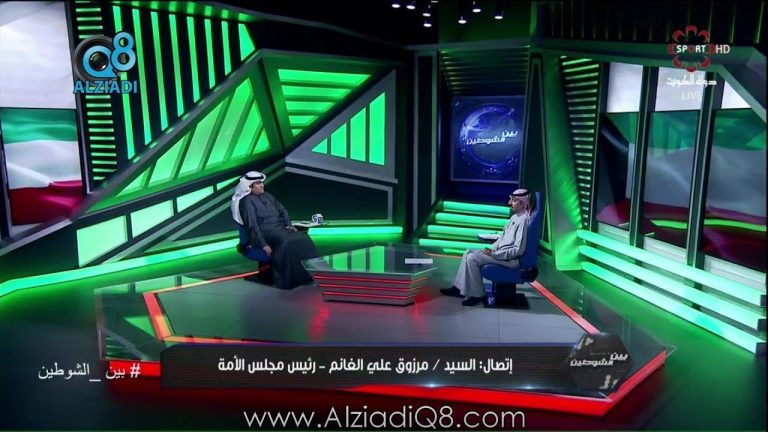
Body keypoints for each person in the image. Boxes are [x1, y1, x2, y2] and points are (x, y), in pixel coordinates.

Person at [441, 188, 533, 306]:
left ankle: (478, 295)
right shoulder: (515, 217)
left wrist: (494, 254)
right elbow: (502, 238)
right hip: (501, 254)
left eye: (513, 200)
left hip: (510, 260)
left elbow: (518, 250)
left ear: (522, 203)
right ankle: (459, 288)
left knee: (472, 258)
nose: (509, 203)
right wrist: (491, 249)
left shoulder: (523, 220)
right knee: (468, 251)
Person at [232, 171, 319, 290]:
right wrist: (263, 244)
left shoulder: (268, 196)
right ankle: (286, 281)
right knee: (285, 242)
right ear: (249, 187)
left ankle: (307, 276)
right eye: (258, 183)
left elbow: (283, 210)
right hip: (265, 233)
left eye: (261, 182)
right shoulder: (246, 201)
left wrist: (288, 225)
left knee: (303, 238)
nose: (262, 185)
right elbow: (252, 225)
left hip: (279, 228)